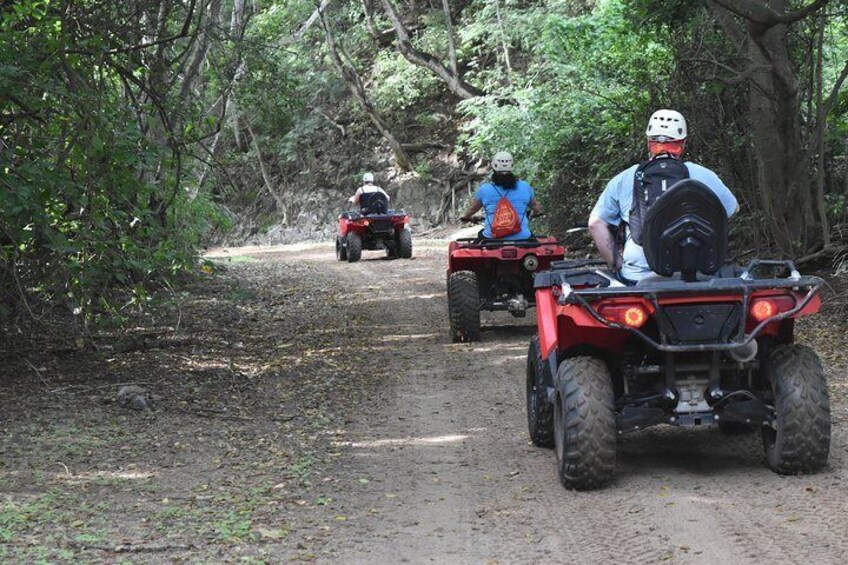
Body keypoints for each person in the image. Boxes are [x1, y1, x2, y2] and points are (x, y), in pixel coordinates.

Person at [588, 109, 739, 283]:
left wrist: (618, 266)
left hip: (638, 276)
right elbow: (731, 209)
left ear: (648, 142)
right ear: (682, 144)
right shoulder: (703, 175)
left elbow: (595, 223)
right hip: (699, 275)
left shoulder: (624, 178)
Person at [460, 151, 542, 240]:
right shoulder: (525, 187)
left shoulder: (484, 190)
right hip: (522, 238)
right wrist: (535, 213)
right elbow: (536, 207)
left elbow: (472, 209)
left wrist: (466, 217)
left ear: (493, 167)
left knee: (478, 244)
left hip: (492, 238)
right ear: (512, 166)